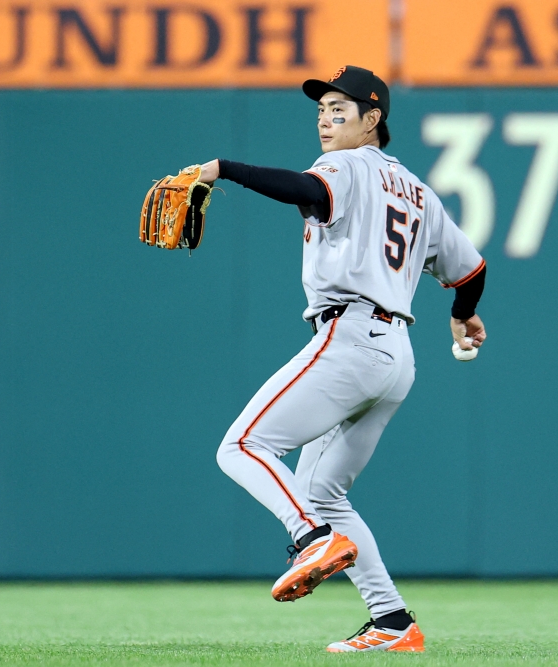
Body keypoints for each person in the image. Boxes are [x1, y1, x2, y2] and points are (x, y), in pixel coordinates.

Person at [201, 65, 487, 653]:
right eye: (321, 111)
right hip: (396, 356)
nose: (326, 121)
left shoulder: (348, 165)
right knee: (324, 491)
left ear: (372, 119)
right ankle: (393, 622)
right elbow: (471, 269)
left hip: (350, 336)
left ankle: (311, 538)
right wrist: (463, 314)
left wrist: (224, 168)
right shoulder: (421, 193)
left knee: (243, 447)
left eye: (340, 110)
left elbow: (308, 191)